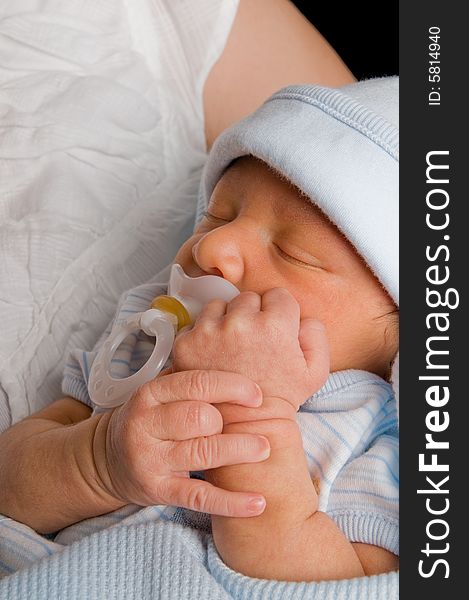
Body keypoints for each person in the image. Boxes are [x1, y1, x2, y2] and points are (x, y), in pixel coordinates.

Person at [0, 76, 399, 590]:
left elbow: (348, 586)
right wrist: (98, 460)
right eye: (215, 217)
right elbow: (9, 484)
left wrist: (252, 419)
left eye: (293, 252)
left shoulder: (378, 440)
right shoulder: (150, 344)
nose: (214, 248)